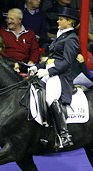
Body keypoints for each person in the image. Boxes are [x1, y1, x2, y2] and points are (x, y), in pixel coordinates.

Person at [29, 7, 79, 148]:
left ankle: (64, 135)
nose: (58, 21)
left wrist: (48, 72)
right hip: (50, 72)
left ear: (69, 22)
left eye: (61, 19)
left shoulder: (71, 39)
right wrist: (38, 67)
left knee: (50, 98)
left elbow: (67, 62)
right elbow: (52, 59)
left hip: (60, 76)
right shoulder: (61, 36)